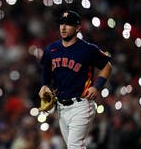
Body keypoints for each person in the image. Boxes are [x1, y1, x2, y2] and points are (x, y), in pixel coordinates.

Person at [38, 10, 112, 149]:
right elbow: (46, 69)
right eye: (61, 24)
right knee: (74, 146)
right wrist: (44, 85)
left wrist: (97, 86)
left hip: (82, 105)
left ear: (78, 27)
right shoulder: (51, 49)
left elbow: (107, 66)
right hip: (61, 107)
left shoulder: (87, 49)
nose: (63, 27)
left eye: (68, 24)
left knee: (74, 146)